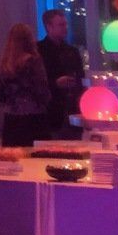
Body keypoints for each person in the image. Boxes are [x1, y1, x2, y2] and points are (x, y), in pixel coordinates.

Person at [0, 23, 52, 148]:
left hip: (11, 119)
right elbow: (41, 88)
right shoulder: (33, 61)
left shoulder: (3, 64)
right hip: (34, 118)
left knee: (13, 158)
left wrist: (9, 102)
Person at [37, 9, 84, 139]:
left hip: (71, 109)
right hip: (50, 110)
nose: (65, 28)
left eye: (65, 24)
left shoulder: (72, 51)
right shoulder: (38, 51)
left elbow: (80, 77)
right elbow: (35, 81)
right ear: (48, 27)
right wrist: (55, 83)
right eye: (61, 25)